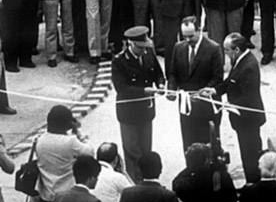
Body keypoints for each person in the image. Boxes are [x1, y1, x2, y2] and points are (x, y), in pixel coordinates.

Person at [199, 32, 266, 184]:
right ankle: (251, 183)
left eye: (227, 50)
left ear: (236, 50)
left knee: (250, 155)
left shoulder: (248, 66)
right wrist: (215, 90)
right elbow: (230, 82)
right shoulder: (240, 61)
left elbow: (248, 96)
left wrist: (230, 105)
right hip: (242, 119)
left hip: (248, 120)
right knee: (246, 153)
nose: (225, 53)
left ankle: (254, 184)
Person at [112, 26, 165, 182]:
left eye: (144, 47)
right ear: (131, 44)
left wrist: (160, 84)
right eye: (140, 47)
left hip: (146, 112)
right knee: (132, 151)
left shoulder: (148, 54)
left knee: (146, 150)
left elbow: (157, 73)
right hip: (128, 114)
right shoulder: (120, 61)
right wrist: (144, 91)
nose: (143, 50)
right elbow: (121, 88)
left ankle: (148, 181)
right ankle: (136, 184)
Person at [166, 17, 223, 150]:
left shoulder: (213, 49)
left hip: (207, 108)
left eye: (191, 36)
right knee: (189, 144)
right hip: (186, 108)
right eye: (184, 36)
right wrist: (171, 89)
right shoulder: (178, 48)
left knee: (209, 145)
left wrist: (204, 91)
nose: (187, 40)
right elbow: (173, 73)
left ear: (199, 30)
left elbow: (217, 77)